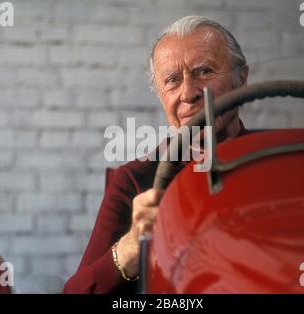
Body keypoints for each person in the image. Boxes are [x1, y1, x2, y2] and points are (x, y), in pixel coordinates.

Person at [63, 16, 250, 294]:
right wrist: (132, 246)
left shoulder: (288, 161)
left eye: (204, 72)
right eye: (173, 80)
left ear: (241, 79)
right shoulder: (136, 178)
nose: (188, 93)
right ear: (161, 95)